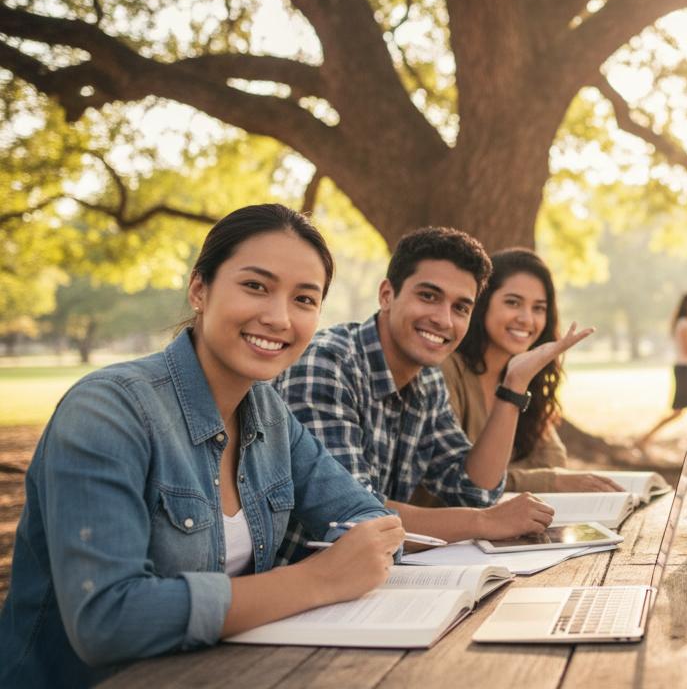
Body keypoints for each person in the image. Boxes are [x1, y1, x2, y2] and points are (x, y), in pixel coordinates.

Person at [0, 205, 405, 687]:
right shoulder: (108, 411)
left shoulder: (269, 413)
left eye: (304, 299)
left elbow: (367, 521)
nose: (278, 317)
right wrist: (319, 580)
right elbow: (107, 620)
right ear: (199, 289)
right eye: (256, 286)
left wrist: (358, 555)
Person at [274, 228, 592, 560]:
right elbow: (352, 519)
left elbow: (473, 490)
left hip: (377, 579)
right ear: (386, 295)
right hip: (302, 585)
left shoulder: (426, 380)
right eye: (428, 296)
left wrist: (514, 386)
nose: (443, 319)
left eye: (461, 308)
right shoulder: (327, 364)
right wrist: (484, 522)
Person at [440, 248, 619, 493]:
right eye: (513, 302)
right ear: (483, 303)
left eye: (538, 308)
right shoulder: (447, 371)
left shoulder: (525, 373)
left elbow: (552, 461)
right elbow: (463, 483)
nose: (527, 319)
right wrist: (549, 481)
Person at [634, 292, 687, 454]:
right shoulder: (684, 324)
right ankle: (644, 438)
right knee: (680, 411)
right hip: (685, 370)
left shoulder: (685, 323)